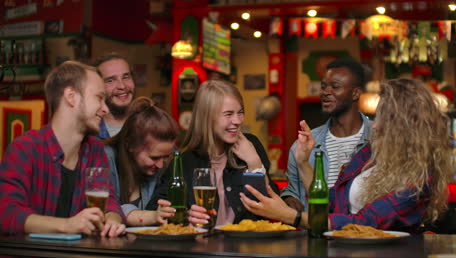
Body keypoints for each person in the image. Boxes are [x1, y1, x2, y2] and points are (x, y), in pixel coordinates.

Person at [241, 78, 451, 232]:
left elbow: (365, 223)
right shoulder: (371, 155)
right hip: (344, 253)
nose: (375, 126)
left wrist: (290, 216)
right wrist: (303, 162)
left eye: (383, 120)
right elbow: (331, 202)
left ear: (405, 127)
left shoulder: (419, 178)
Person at [0, 61, 126, 236]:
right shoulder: (25, 148)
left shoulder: (94, 150)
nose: (105, 109)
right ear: (71, 96)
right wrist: (68, 225)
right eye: (99, 97)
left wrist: (113, 219)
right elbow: (6, 214)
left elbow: (109, 200)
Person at [167, 80, 279, 226]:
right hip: (201, 245)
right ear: (207, 118)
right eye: (228, 114)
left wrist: (254, 161)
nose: (237, 121)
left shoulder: (251, 144)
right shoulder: (185, 160)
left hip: (245, 244)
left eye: (240, 113)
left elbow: (273, 205)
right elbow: (159, 209)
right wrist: (186, 216)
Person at [281, 58, 372, 212]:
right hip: (317, 231)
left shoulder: (379, 139)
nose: (325, 92)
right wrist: (289, 200)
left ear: (355, 93)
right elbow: (292, 191)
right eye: (323, 87)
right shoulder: (303, 145)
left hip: (364, 232)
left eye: (335, 87)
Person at [104, 97, 179, 226]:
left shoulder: (163, 165)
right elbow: (104, 210)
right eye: (154, 158)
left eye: (166, 156)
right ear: (130, 145)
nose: (161, 165)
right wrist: (152, 216)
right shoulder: (105, 157)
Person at [94, 53, 136, 140]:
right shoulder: (89, 135)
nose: (122, 86)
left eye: (126, 77)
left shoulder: (154, 125)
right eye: (110, 80)